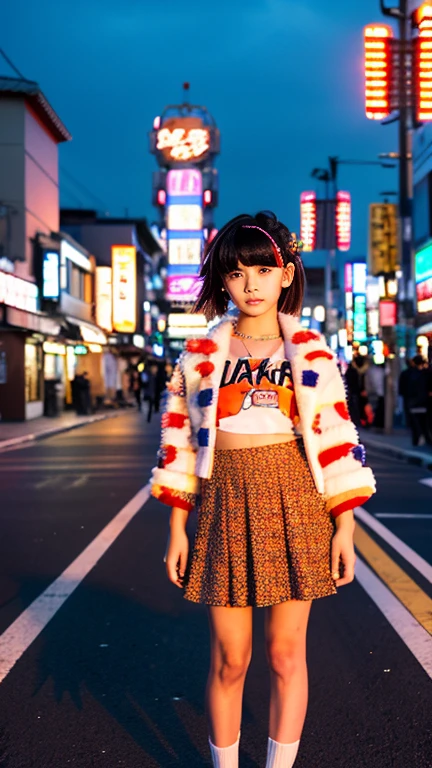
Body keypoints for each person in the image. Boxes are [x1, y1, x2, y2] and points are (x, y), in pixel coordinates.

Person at [150, 212, 376, 768]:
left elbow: (337, 439)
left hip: (295, 496)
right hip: (226, 498)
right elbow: (177, 441)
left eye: (261, 269)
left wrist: (345, 526)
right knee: (231, 657)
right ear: (222, 281)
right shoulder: (201, 355)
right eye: (235, 272)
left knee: (283, 653)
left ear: (285, 273)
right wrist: (177, 528)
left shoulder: (311, 352)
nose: (249, 284)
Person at [404, 355, 432, 446]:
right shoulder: (426, 373)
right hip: (424, 401)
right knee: (425, 422)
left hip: (413, 402)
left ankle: (417, 439)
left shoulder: (409, 373)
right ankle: (426, 438)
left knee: (415, 423)